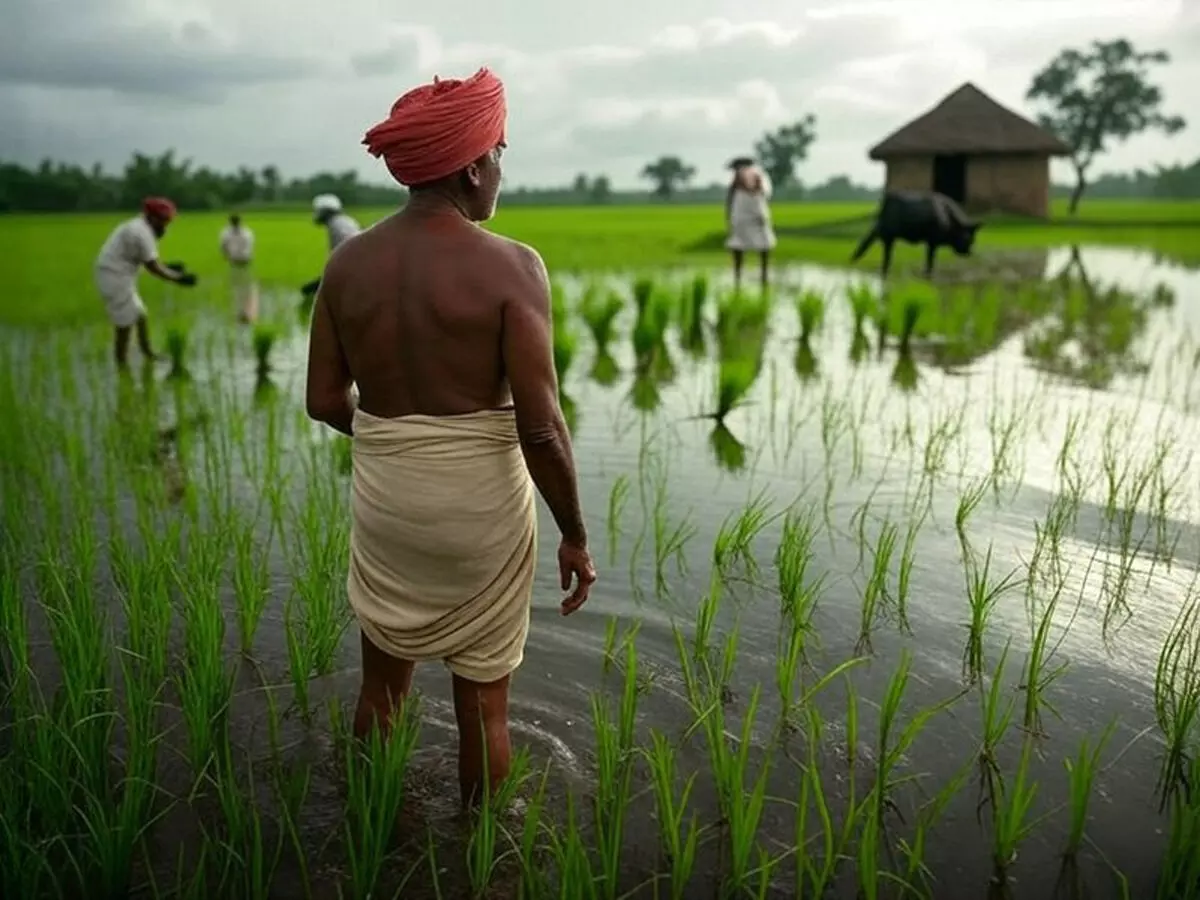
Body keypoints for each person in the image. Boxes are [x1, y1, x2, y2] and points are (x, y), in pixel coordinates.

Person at [305, 66, 596, 808]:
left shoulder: (347, 264)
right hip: (481, 515)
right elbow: (540, 426)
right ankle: (482, 847)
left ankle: (370, 825)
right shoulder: (512, 267)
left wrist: (398, 442)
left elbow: (324, 401)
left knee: (382, 688)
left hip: (390, 505)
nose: (501, 170)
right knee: (484, 709)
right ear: (472, 167)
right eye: (499, 153)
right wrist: (574, 535)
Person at [94, 197, 197, 367]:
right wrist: (179, 278)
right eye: (164, 221)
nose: (166, 225)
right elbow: (153, 267)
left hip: (121, 274)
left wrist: (168, 267)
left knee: (140, 315)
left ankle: (148, 353)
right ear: (153, 218)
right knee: (124, 324)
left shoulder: (140, 226)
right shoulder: (141, 233)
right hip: (114, 277)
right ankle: (122, 364)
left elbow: (146, 260)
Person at [725, 157, 776, 291]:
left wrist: (728, 218)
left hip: (745, 214)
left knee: (740, 246)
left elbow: (730, 199)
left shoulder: (744, 176)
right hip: (755, 213)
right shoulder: (760, 175)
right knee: (762, 245)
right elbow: (766, 194)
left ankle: (739, 279)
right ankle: (762, 278)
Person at [300, 195, 361, 299]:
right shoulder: (345, 221)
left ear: (325, 212)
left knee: (310, 292)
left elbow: (345, 250)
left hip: (350, 269)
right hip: (356, 267)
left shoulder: (336, 225)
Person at [219, 213, 258, 323]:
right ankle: (244, 311)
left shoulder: (226, 233)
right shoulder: (247, 232)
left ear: (231, 222)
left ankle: (243, 311)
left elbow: (223, 247)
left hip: (236, 261)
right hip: (244, 261)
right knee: (244, 286)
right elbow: (250, 246)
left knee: (238, 286)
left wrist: (228, 255)